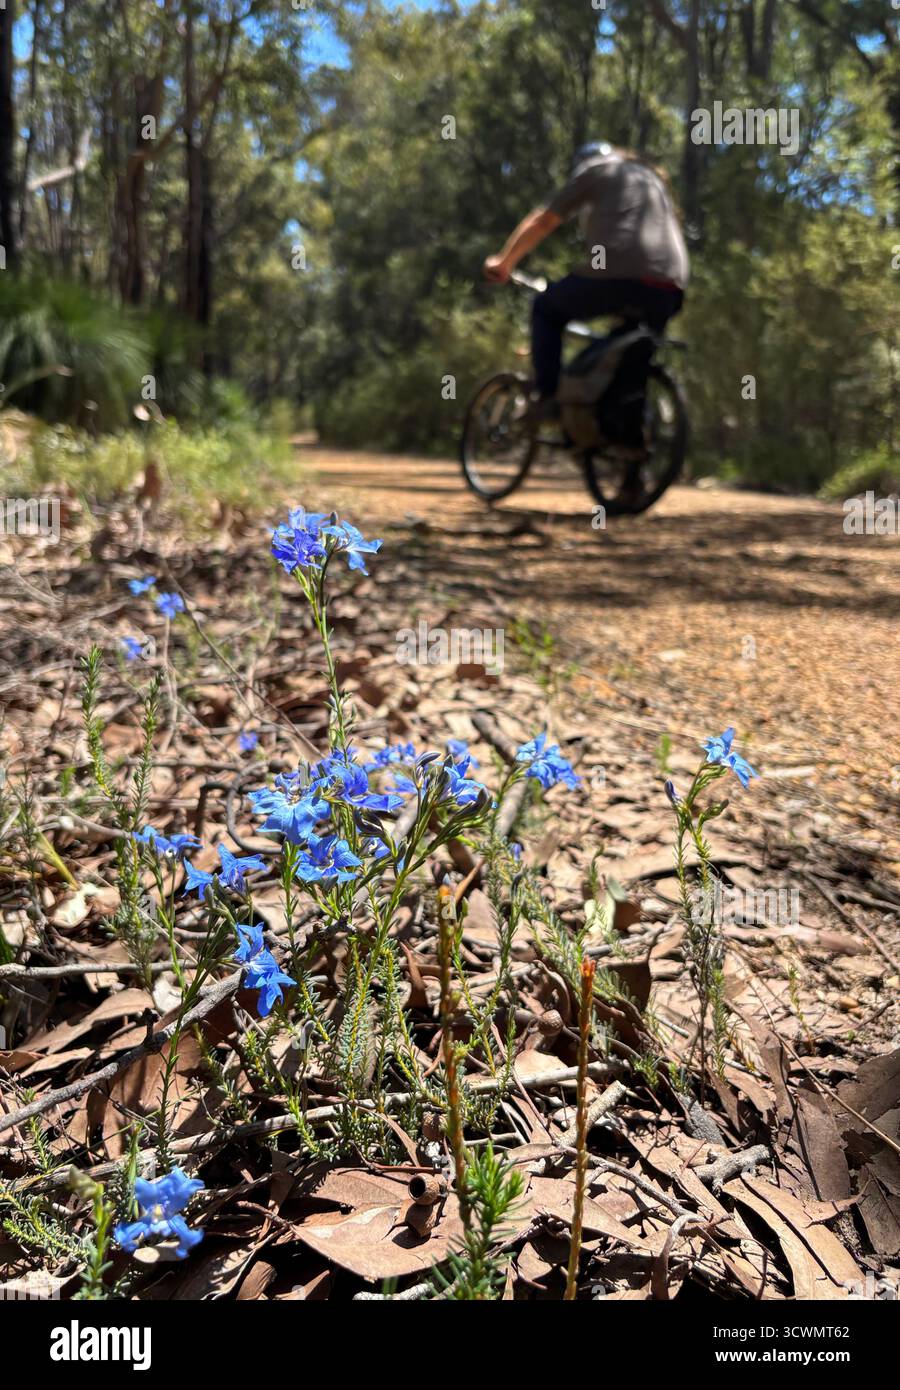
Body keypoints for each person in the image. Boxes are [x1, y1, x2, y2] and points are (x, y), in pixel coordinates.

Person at [482, 143, 689, 445]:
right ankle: (629, 462)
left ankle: (549, 398)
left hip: (619, 275)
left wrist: (504, 262)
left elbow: (544, 221)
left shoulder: (597, 169)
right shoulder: (650, 178)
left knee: (546, 308)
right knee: (630, 355)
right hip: (672, 284)